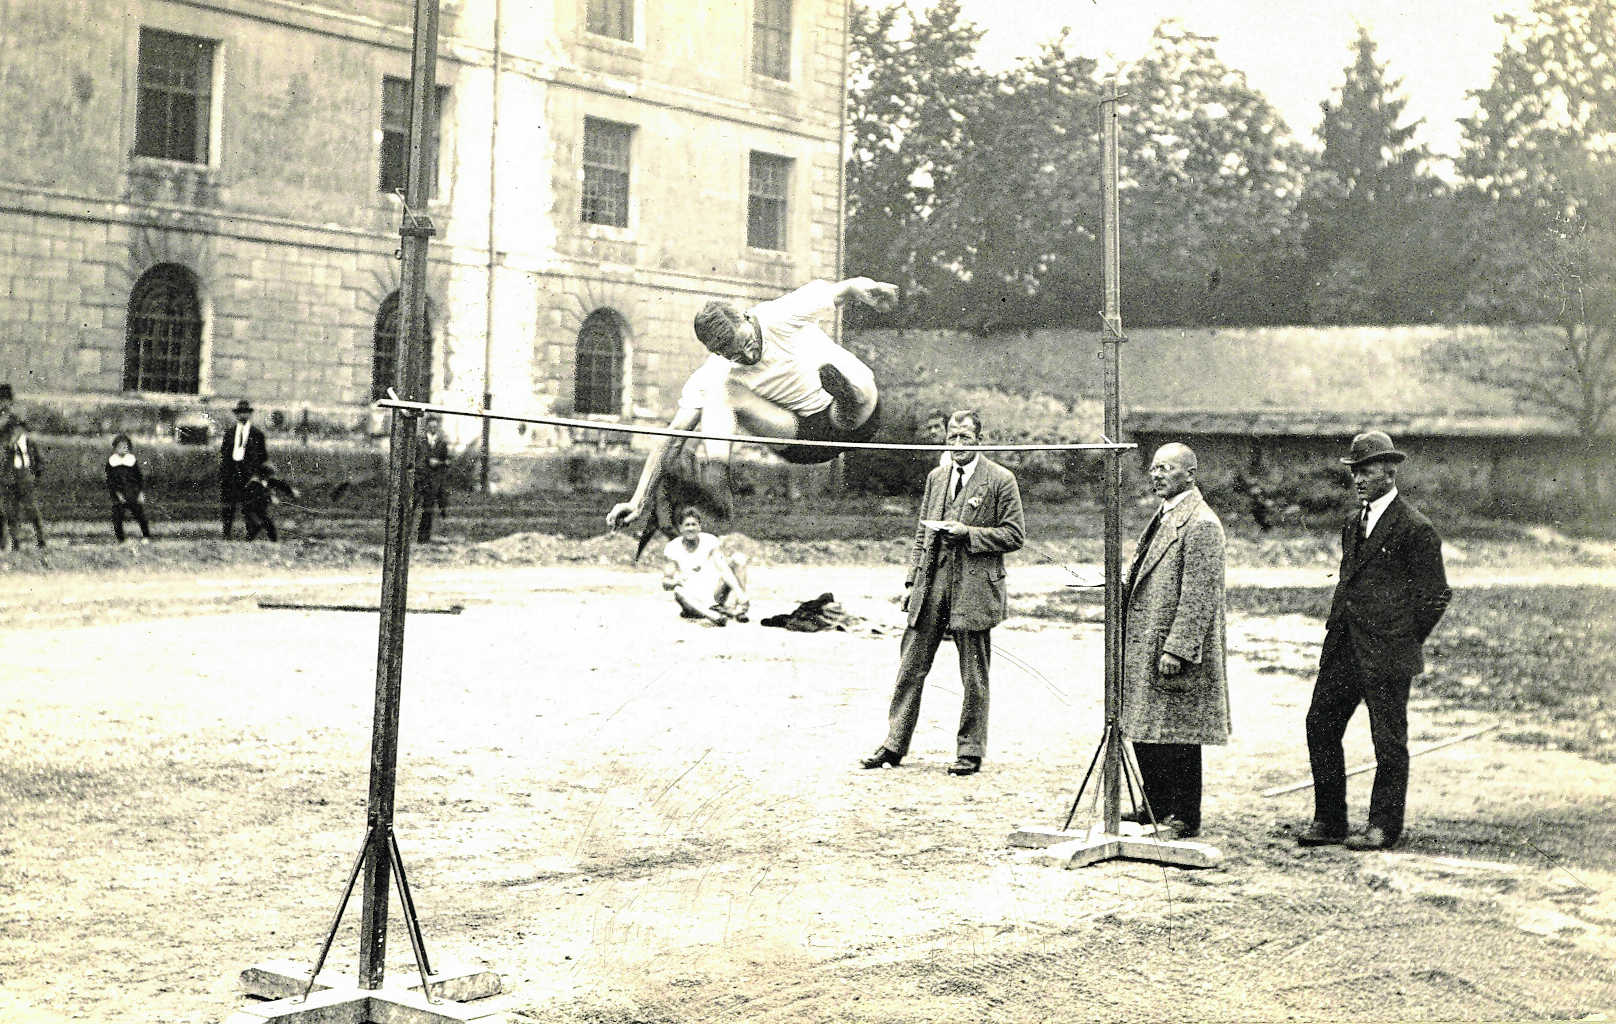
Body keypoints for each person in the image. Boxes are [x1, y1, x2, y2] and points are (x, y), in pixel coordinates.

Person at [606, 276, 898, 532]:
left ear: (746, 317)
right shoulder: (718, 368)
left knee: (855, 377)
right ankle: (716, 478)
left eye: (747, 343)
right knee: (721, 389)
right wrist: (637, 501)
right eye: (733, 355)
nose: (746, 356)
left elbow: (845, 288)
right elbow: (671, 438)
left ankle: (845, 396)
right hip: (801, 437)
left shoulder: (781, 315)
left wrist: (869, 290)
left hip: (854, 418)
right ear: (718, 351)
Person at [1299, 430, 1451, 852]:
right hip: (1345, 647)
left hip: (1387, 652)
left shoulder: (1415, 528)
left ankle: (1384, 826)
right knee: (1320, 725)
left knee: (1387, 740)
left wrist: (1400, 636)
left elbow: (1435, 595)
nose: (1359, 479)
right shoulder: (1354, 522)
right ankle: (1329, 820)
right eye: (1355, 471)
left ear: (1390, 471)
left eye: (1366, 471)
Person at [860, 410, 1025, 777]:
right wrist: (910, 583)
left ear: (979, 441)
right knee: (910, 667)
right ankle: (893, 744)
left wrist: (969, 533)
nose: (958, 445)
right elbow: (922, 535)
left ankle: (970, 751)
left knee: (974, 676)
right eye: (952, 438)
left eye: (966, 438)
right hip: (932, 584)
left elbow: (1015, 535)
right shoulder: (937, 477)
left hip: (974, 587)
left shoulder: (1001, 479)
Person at [1119, 443, 1229, 840]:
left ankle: (1183, 814)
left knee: (1179, 730)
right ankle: (1155, 805)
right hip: (1149, 637)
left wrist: (1178, 648)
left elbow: (1200, 594)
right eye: (1153, 468)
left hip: (1171, 644)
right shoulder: (1166, 515)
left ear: (1190, 474)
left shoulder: (1201, 523)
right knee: (1149, 723)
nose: (1156, 475)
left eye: (1166, 468)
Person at [662, 507, 750, 625]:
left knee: (738, 559)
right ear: (680, 528)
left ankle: (740, 608)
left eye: (694, 524)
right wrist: (675, 581)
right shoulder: (673, 547)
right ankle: (713, 616)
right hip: (692, 599)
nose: (691, 528)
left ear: (699, 527)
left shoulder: (709, 541)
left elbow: (722, 567)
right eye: (687, 525)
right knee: (678, 590)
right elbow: (666, 581)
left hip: (714, 594)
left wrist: (738, 593)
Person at [0, 385, 47, 550]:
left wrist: (37, 471)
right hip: (6, 472)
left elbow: (27, 442)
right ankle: (16, 542)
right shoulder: (4, 424)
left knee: (30, 507)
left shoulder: (17, 422)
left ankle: (40, 538)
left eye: (6, 401)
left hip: (22, 471)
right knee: (10, 510)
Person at [220, 398, 268, 539]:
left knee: (248, 506)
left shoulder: (257, 435)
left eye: (246, 413)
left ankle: (250, 534)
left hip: (248, 474)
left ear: (249, 414)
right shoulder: (229, 433)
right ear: (236, 415)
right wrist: (225, 473)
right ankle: (226, 533)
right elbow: (224, 453)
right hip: (232, 473)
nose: (243, 415)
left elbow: (263, 456)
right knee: (229, 505)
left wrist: (256, 474)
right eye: (240, 413)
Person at [106, 434, 152, 543]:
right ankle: (121, 540)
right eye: (119, 447)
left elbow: (139, 478)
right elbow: (110, 481)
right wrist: (118, 494)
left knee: (140, 515)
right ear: (115, 448)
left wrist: (140, 493)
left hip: (132, 492)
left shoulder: (131, 461)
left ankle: (146, 536)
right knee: (117, 517)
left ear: (128, 448)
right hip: (118, 493)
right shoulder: (112, 462)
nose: (122, 449)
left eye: (125, 447)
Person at [240, 461, 299, 542]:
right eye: (268, 475)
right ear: (261, 474)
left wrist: (290, 492)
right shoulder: (254, 483)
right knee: (258, 525)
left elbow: (281, 485)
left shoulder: (268, 481)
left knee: (268, 525)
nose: (269, 477)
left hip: (261, 509)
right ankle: (249, 540)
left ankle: (273, 541)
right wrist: (270, 496)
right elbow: (258, 495)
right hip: (250, 509)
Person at [415, 414, 451, 542]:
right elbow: (415, 458)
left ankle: (424, 537)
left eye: (435, 427)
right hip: (420, 478)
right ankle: (407, 536)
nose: (433, 429)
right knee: (412, 507)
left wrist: (439, 463)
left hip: (433, 480)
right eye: (431, 426)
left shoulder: (442, 443)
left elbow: (447, 461)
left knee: (429, 509)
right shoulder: (419, 441)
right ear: (427, 427)